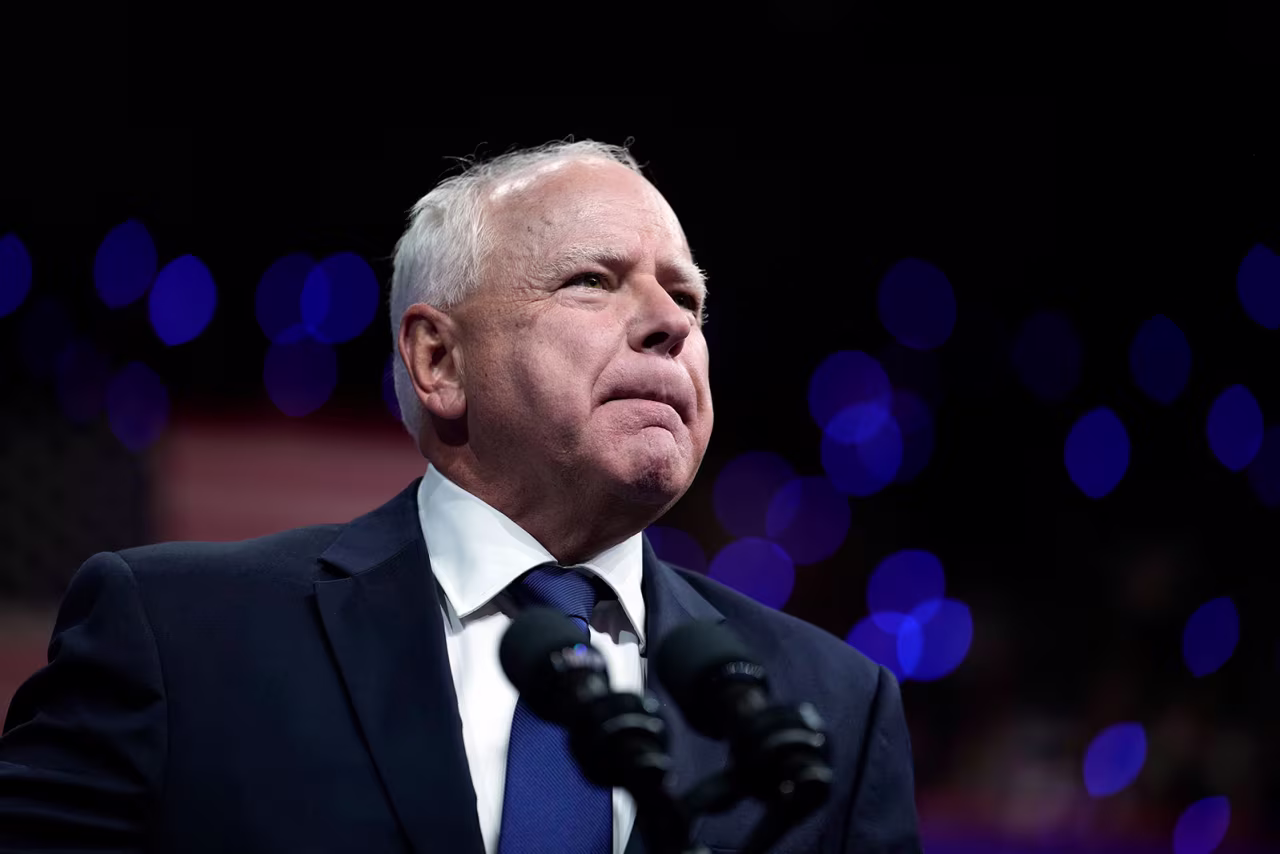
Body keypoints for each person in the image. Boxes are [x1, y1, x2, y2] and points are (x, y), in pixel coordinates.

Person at [0, 140, 921, 853]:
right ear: (438, 360)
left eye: (687, 297)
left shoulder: (831, 707)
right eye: (593, 282)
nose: (671, 323)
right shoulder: (179, 634)